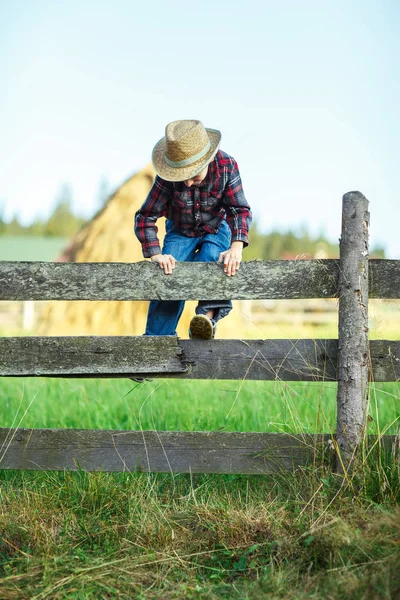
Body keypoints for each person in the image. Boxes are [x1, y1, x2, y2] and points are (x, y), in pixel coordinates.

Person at [134, 119, 252, 339]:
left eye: (194, 175)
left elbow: (239, 210)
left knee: (214, 258)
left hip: (217, 226)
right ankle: (156, 341)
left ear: (207, 161)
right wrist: (156, 255)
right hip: (180, 229)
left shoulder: (227, 165)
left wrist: (236, 247)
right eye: (182, 177)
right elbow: (145, 216)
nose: (187, 183)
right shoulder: (167, 177)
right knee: (169, 273)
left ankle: (205, 319)